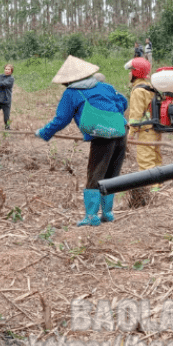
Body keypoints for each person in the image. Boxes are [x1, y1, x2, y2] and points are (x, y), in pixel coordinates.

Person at [35, 56, 128, 226]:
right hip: (121, 130)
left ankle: (91, 217)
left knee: (95, 175)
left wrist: (44, 133)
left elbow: (61, 119)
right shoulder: (106, 86)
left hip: (102, 136)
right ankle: (107, 213)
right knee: (112, 173)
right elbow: (123, 102)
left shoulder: (71, 93)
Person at [126, 57, 163, 189]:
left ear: (136, 72)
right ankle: (158, 186)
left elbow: (135, 116)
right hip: (155, 129)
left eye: (130, 71)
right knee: (156, 159)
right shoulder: (150, 87)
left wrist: (131, 133)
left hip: (146, 131)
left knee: (146, 161)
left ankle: (151, 191)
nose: (129, 73)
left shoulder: (138, 91)